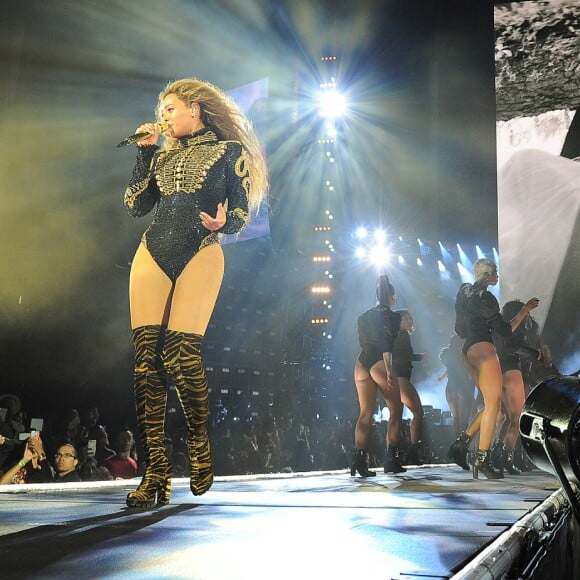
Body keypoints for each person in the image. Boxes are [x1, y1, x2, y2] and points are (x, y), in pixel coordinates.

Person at [123, 78, 267, 507]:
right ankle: (156, 474)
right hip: (153, 249)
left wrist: (226, 224)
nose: (163, 116)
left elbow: (241, 208)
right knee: (146, 362)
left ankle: (200, 444)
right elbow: (135, 205)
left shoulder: (229, 153)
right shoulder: (161, 155)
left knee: (181, 355)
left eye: (170, 108)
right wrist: (145, 152)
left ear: (195, 109)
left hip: (201, 249)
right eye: (161, 110)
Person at [449, 259, 539, 479]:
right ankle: (482, 459)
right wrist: (525, 310)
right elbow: (506, 331)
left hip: (468, 349)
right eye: (495, 273)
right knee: (494, 405)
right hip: (483, 348)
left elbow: (459, 328)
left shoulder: (464, 292)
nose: (497, 276)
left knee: (492, 405)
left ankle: (461, 445)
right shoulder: (486, 298)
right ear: (488, 275)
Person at [352, 275, 404, 477]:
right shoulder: (393, 316)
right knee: (396, 409)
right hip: (380, 362)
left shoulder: (363, 316)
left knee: (365, 412)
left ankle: (358, 460)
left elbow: (364, 341)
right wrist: (390, 371)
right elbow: (386, 343)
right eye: (394, 296)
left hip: (361, 362)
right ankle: (391, 460)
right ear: (391, 296)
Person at [392, 309, 427, 464]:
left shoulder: (396, 336)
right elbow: (404, 356)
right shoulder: (402, 335)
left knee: (397, 416)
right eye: (406, 318)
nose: (409, 321)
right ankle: (413, 451)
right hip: (401, 378)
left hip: (397, 377)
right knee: (418, 412)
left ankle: (395, 455)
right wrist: (420, 357)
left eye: (409, 318)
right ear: (399, 321)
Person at [438, 334, 477, 440]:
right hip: (461, 388)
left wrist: (442, 377)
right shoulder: (464, 355)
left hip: (450, 388)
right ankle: (462, 446)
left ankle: (456, 444)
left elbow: (452, 369)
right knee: (463, 420)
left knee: (456, 419)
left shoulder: (447, 355)